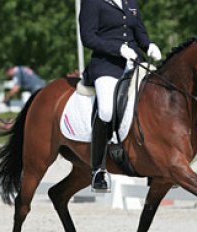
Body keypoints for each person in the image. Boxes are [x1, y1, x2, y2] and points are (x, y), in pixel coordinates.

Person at [79, 0, 162, 191]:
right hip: (107, 66)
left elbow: (139, 32)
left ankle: (155, 164)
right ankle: (98, 169)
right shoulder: (92, 2)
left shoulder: (130, 2)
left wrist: (149, 45)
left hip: (135, 64)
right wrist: (117, 49)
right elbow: (88, 38)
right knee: (107, 110)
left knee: (156, 100)